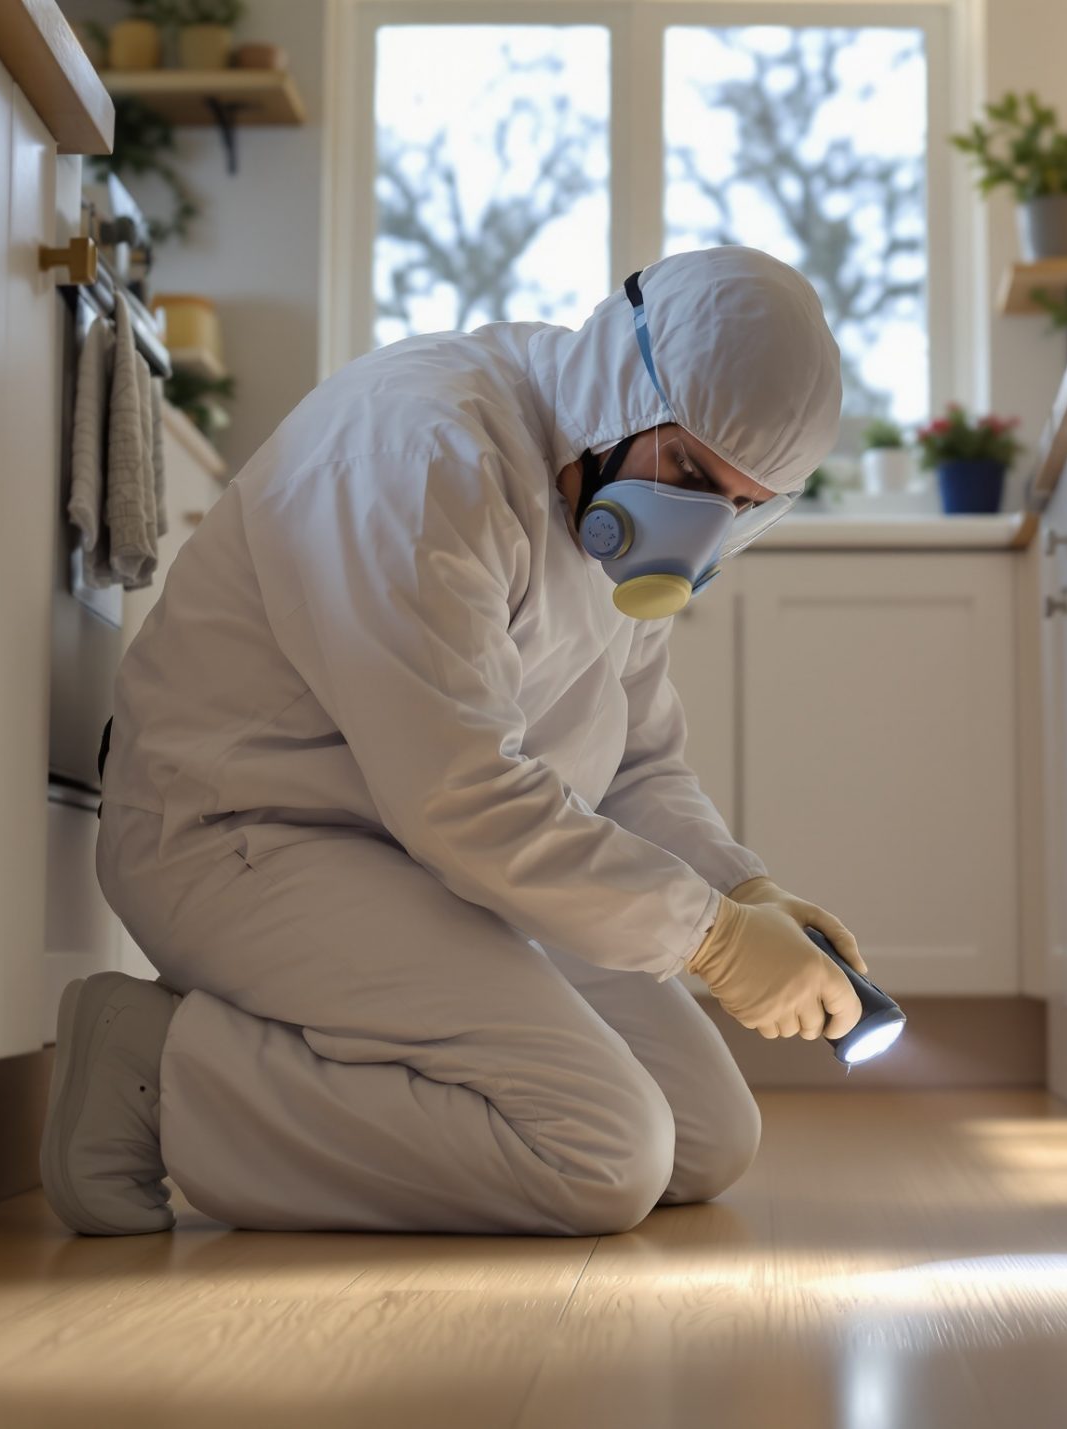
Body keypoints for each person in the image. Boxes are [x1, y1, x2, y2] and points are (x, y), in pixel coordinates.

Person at [43, 246, 866, 1238]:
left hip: (435, 860)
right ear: (619, 383)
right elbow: (460, 795)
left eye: (737, 506)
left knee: (706, 1134)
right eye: (688, 469)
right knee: (602, 1152)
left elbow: (635, 763)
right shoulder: (424, 456)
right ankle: (162, 1063)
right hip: (241, 837)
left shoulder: (617, 511)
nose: (697, 525)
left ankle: (298, 1044)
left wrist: (742, 889)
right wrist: (713, 942)